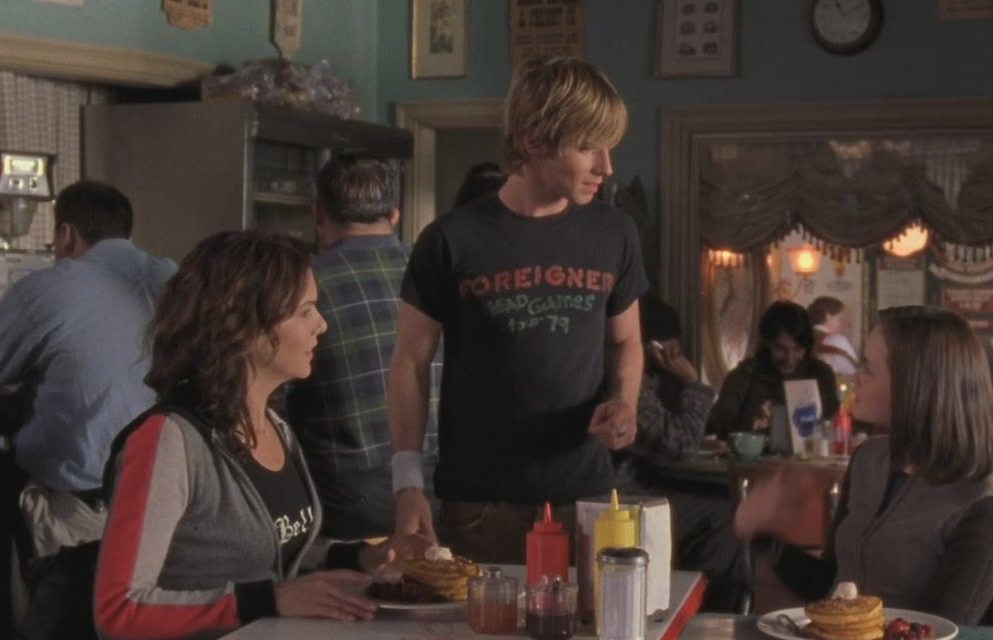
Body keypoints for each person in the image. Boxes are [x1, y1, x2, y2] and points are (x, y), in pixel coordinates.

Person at [95, 231, 425, 640]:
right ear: (243, 325)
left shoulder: (274, 425)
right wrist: (268, 602)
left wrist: (360, 557)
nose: (322, 325)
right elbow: (118, 611)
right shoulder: (168, 441)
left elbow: (272, 553)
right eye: (305, 311)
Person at [389, 56, 647, 562]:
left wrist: (624, 405)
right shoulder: (451, 239)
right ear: (533, 141)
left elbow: (626, 341)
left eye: (609, 146)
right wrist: (407, 485)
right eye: (587, 146)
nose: (606, 166)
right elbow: (409, 363)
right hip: (481, 506)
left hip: (586, 501)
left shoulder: (614, 233)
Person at [0, 180, 176, 559]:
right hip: (167, 511)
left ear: (66, 234)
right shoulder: (173, 277)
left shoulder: (49, 288)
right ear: (127, 233)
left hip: (82, 519)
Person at [735, 306, 993, 625]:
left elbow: (941, 634)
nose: (854, 377)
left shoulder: (989, 503)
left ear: (914, 386)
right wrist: (762, 532)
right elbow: (832, 586)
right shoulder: (868, 459)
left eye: (868, 368)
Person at [288, 154, 440, 540]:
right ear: (395, 215)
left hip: (348, 503)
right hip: (443, 492)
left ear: (318, 212)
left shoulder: (303, 285)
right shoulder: (438, 272)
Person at [619, 294, 745, 611]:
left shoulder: (644, 381)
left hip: (632, 486)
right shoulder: (629, 383)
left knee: (721, 507)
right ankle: (708, 613)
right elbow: (682, 445)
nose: (677, 355)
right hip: (621, 495)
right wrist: (692, 382)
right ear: (655, 348)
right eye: (671, 348)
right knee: (726, 519)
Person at [705, 300, 839, 437]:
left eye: (797, 349)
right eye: (781, 349)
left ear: (807, 347)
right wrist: (753, 424)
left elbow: (833, 426)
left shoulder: (821, 374)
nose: (789, 359)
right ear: (766, 343)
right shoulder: (746, 374)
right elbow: (717, 423)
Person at [807, 296, 858, 375]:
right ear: (828, 317)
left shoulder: (803, 338)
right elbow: (854, 373)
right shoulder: (837, 340)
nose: (841, 323)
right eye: (839, 318)